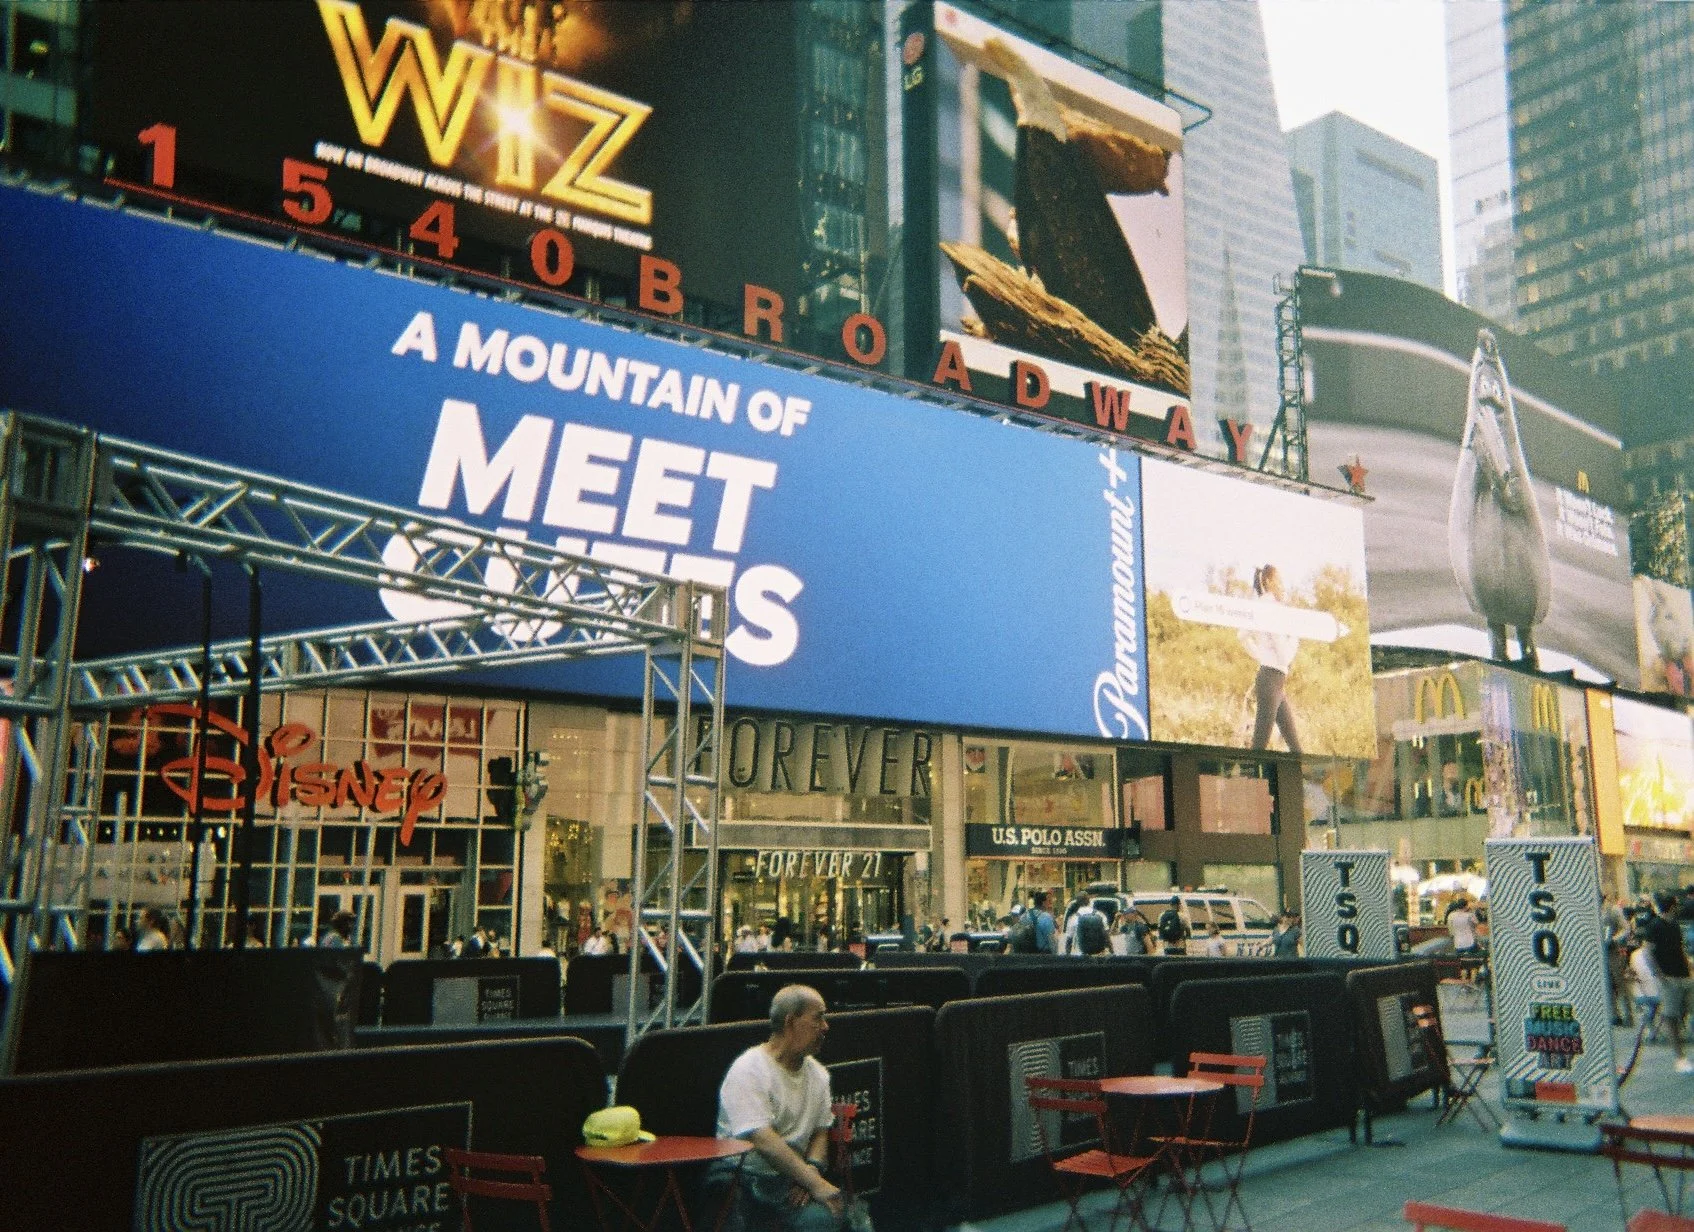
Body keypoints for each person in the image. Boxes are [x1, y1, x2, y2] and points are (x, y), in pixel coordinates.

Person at [712, 984, 844, 1231]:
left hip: (788, 1180)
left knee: (823, 1219)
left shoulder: (819, 1075)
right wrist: (813, 1182)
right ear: (791, 1022)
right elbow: (762, 1140)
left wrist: (811, 1172)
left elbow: (820, 1132)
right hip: (738, 1177)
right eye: (818, 1018)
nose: (825, 1027)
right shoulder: (748, 1069)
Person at [1239, 564, 1303, 754]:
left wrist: (1262, 656)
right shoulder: (1273, 609)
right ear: (1269, 582)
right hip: (1271, 681)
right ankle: (1246, 780)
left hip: (1273, 681)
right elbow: (1285, 656)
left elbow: (1241, 636)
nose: (1283, 586)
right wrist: (1296, 637)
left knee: (1295, 748)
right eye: (1280, 581)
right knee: (1259, 746)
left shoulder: (1258, 606)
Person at [1644, 892, 1694, 1072]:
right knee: (1670, 1017)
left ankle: (1681, 1056)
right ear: (1672, 907)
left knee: (1677, 1015)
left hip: (1682, 975)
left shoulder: (1673, 926)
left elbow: (1678, 948)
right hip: (1670, 977)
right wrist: (1658, 974)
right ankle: (1679, 1058)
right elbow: (1648, 951)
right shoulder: (1656, 926)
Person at [1631, 940, 1662, 1042]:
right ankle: (1651, 1032)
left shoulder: (1634, 954)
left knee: (1649, 1010)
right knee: (1652, 1009)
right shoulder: (1654, 953)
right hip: (1652, 989)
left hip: (1642, 990)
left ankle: (1650, 1031)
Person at [1029, 890, 1058, 955]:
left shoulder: (1026, 914)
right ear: (1043, 903)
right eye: (1049, 901)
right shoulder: (1045, 917)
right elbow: (1051, 940)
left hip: (1026, 953)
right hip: (1043, 954)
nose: (1051, 903)